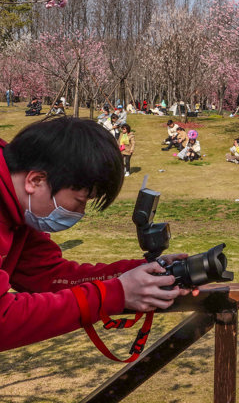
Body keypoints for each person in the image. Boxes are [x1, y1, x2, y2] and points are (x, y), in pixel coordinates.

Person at [0, 117, 193, 351]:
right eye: (80, 201)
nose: (80, 213)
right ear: (36, 180)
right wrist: (115, 294)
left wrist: (137, 274)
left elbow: (47, 276)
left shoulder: (19, 212)